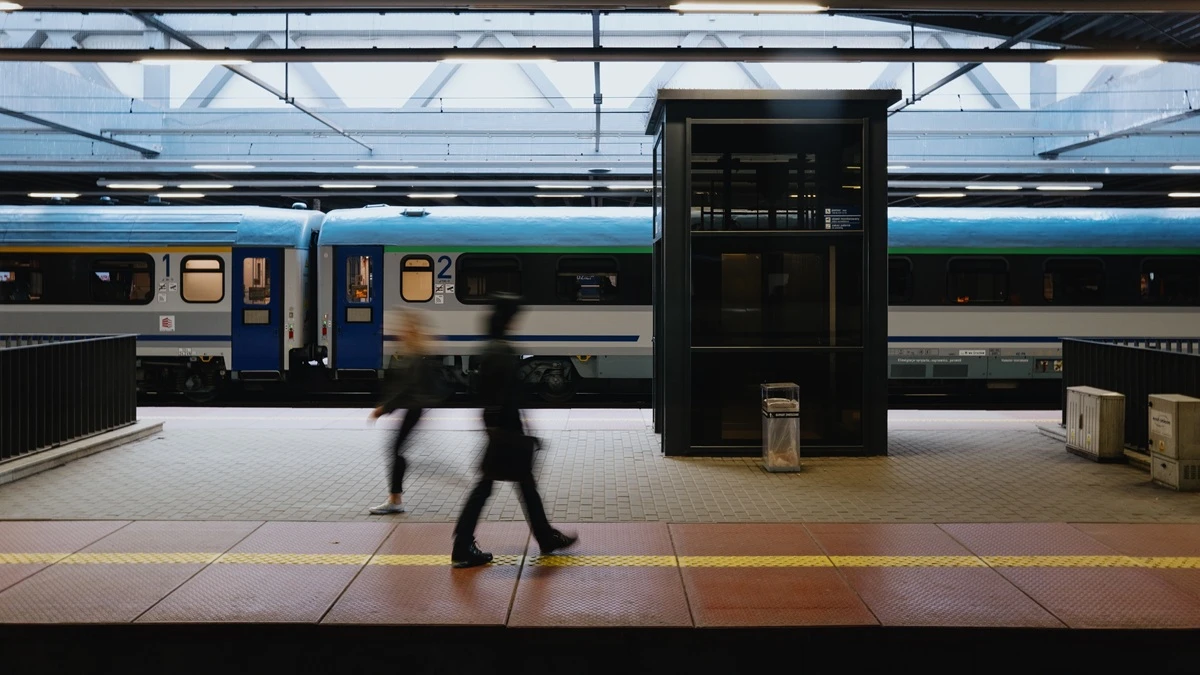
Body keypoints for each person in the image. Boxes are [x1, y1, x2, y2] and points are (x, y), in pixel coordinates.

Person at [451, 293, 577, 568]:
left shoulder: (490, 348)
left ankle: (544, 537)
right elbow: (507, 396)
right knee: (493, 487)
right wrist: (519, 430)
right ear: (508, 319)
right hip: (506, 429)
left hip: (499, 428)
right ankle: (462, 547)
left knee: (516, 485)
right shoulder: (503, 351)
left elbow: (485, 394)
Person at [367, 310, 437, 515]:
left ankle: (395, 500)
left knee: (396, 451)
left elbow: (406, 388)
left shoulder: (414, 354)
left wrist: (383, 409)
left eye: (403, 328)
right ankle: (395, 498)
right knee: (397, 450)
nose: (399, 331)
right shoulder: (411, 351)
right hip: (414, 408)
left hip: (414, 408)